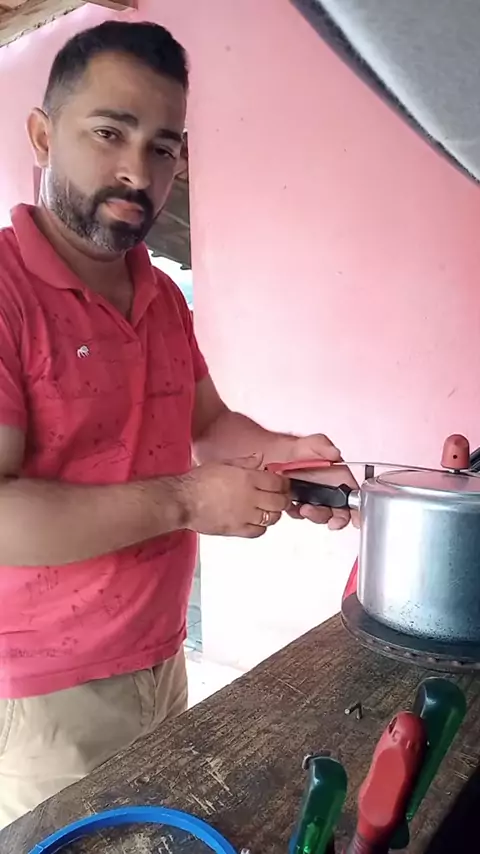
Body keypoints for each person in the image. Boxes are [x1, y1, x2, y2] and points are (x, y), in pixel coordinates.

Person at [0, 20, 356, 828]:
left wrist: (283, 454)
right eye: (109, 133)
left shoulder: (159, 293)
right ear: (43, 135)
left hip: (159, 657)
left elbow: (210, 421)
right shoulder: (7, 292)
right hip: (44, 698)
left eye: (162, 147)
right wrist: (189, 501)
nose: (138, 170)